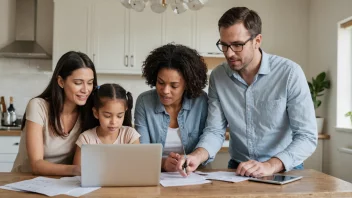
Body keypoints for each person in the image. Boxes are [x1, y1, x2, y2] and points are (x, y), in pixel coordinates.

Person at [176, 7, 317, 177]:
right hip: (239, 168)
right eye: (224, 45)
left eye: (237, 45)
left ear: (257, 41)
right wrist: (196, 156)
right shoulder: (218, 76)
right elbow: (215, 130)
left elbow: (306, 136)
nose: (229, 53)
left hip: (283, 167)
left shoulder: (289, 73)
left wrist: (270, 165)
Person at [12, 51, 98, 176]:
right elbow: (36, 164)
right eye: (78, 83)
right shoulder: (38, 106)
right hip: (24, 181)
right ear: (61, 82)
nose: (86, 90)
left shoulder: (89, 112)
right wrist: (76, 170)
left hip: (62, 183)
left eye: (90, 83)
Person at [134, 43, 208, 172]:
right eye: (160, 83)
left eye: (174, 86)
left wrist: (193, 158)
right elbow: (142, 151)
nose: (165, 91)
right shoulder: (144, 102)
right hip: (156, 175)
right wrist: (163, 163)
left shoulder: (200, 101)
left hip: (195, 175)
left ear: (187, 84)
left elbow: (208, 138)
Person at [73, 83, 140, 167]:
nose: (113, 122)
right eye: (107, 116)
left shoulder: (130, 135)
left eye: (119, 116)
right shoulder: (86, 139)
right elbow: (77, 171)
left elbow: (138, 166)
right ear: (96, 113)